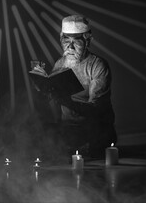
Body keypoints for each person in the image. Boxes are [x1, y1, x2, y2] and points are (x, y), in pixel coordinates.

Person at [42, 14, 117, 159]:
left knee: (90, 152)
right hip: (69, 131)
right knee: (40, 138)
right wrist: (43, 90)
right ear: (60, 39)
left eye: (76, 42)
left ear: (87, 41)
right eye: (66, 41)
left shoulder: (97, 66)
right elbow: (53, 102)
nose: (69, 47)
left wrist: (66, 102)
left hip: (95, 130)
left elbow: (96, 109)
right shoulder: (60, 64)